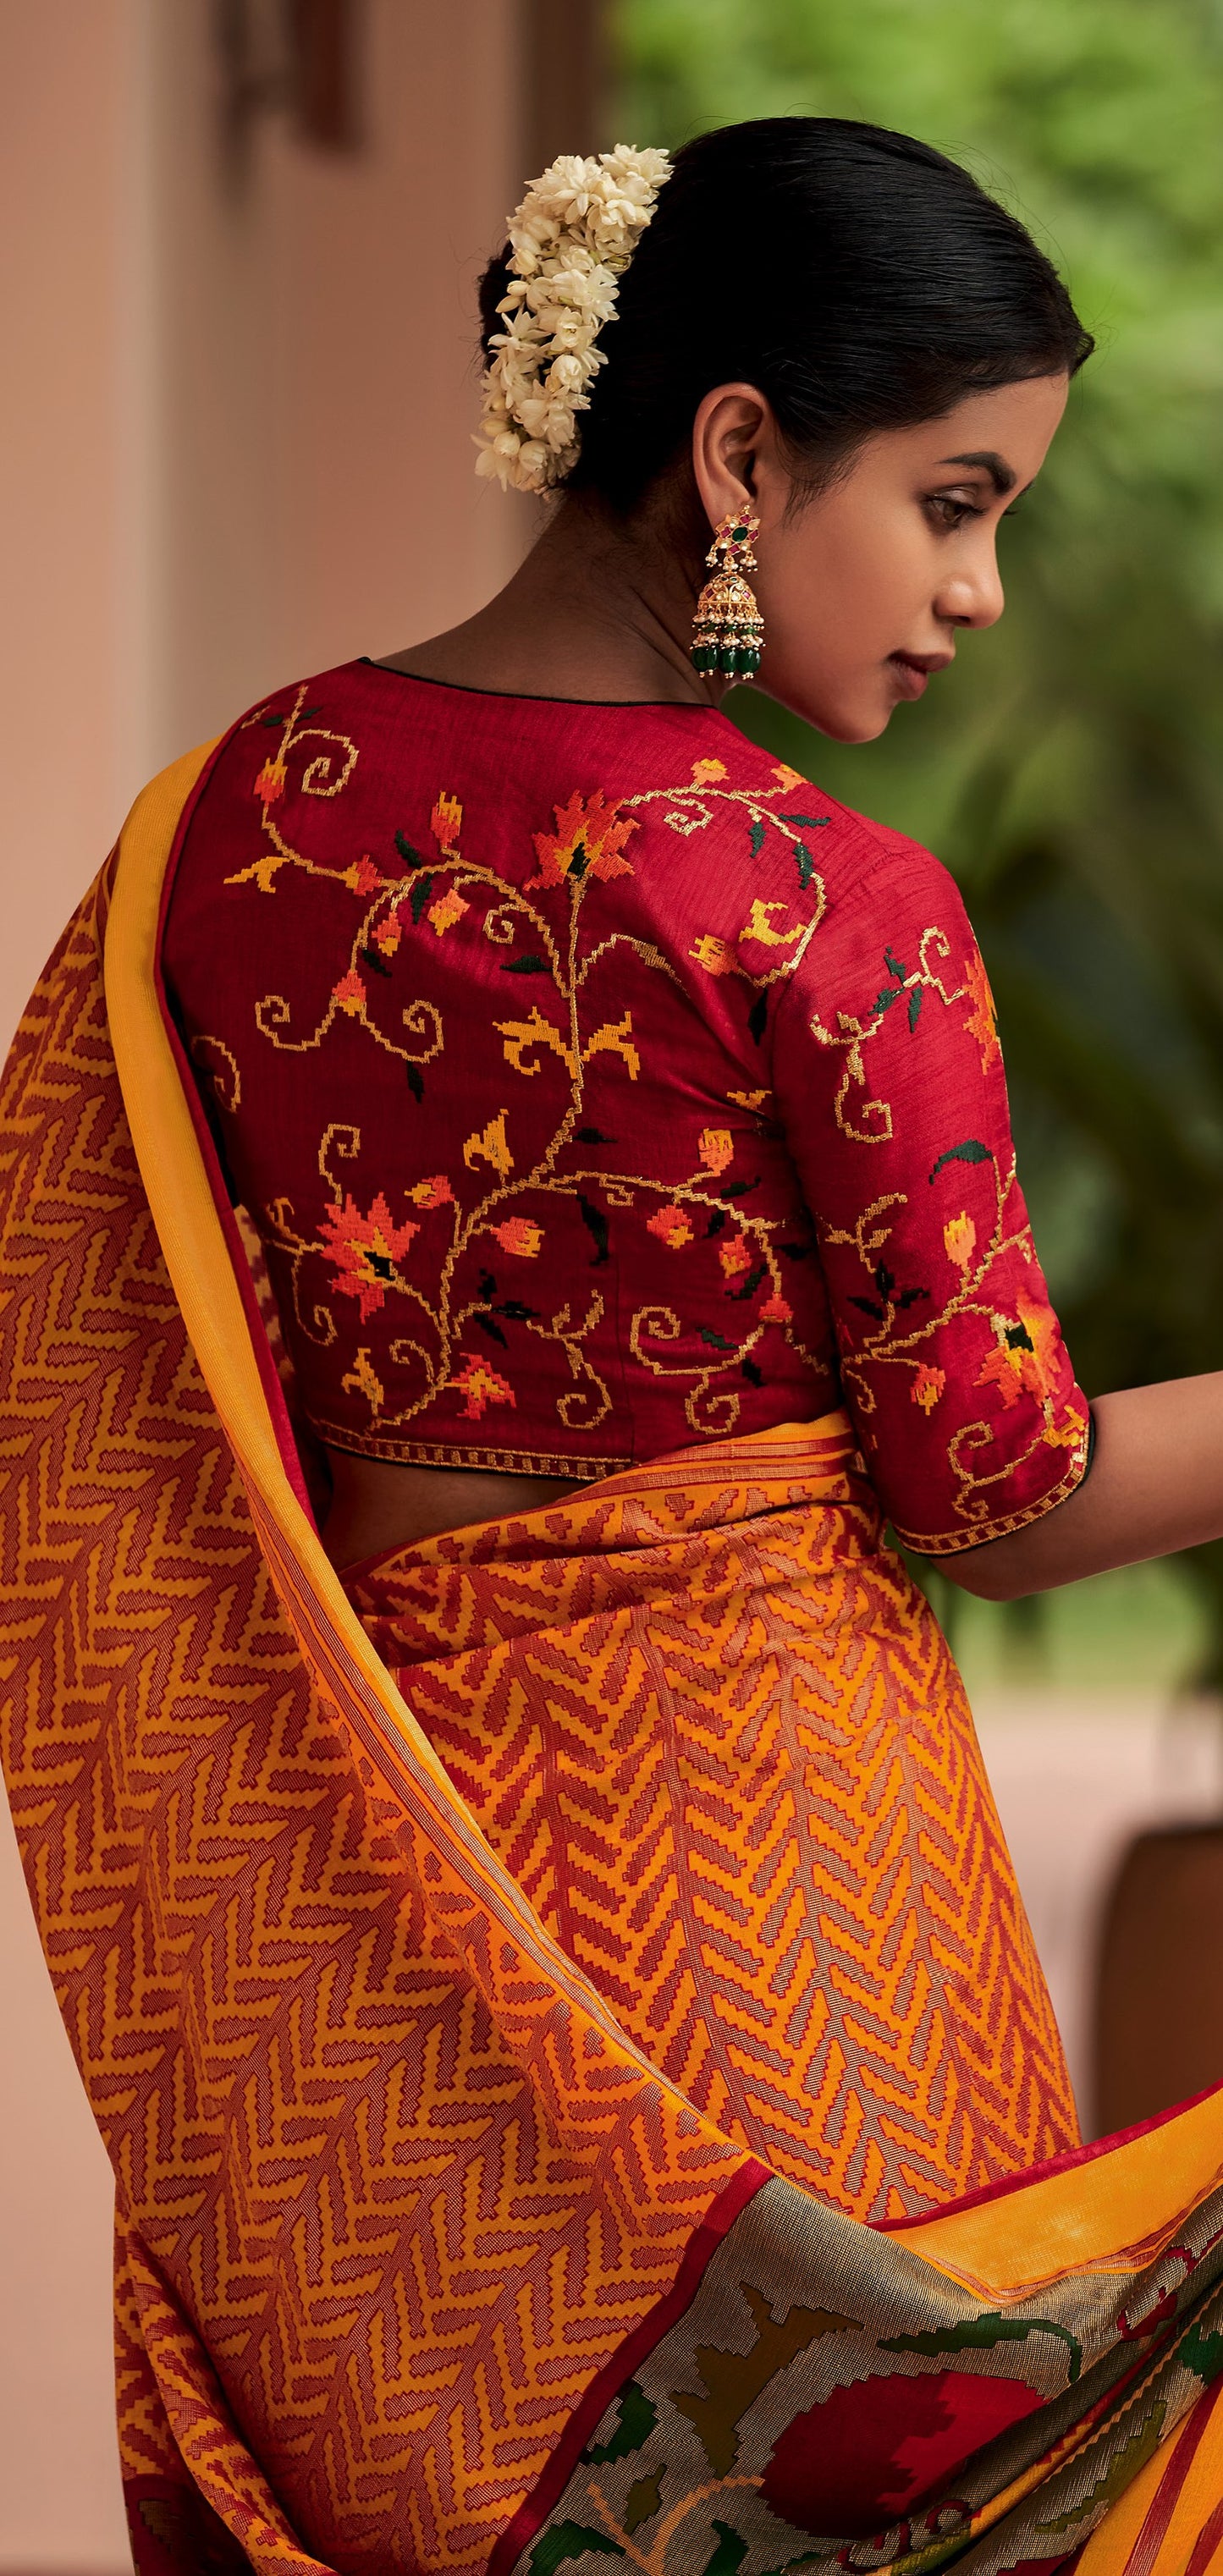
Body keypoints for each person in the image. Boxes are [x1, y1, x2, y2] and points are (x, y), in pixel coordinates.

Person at [3, 116, 1222, 2576]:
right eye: (960, 498)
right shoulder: (824, 902)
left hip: (370, 1941)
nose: (983, 589)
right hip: (792, 1912)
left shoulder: (224, 826)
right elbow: (1005, 1499)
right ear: (745, 453)